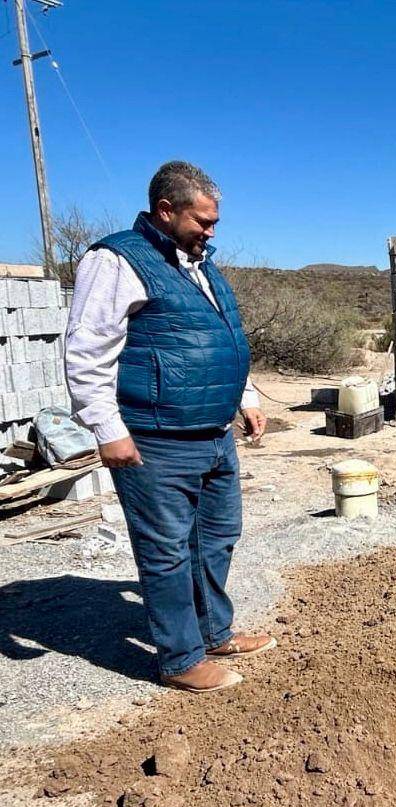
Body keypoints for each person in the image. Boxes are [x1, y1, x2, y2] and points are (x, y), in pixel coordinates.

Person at [65, 161, 275, 693]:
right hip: (156, 435)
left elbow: (222, 339)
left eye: (215, 223)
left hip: (212, 432)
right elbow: (88, 350)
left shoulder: (200, 265)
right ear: (166, 210)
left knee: (218, 536)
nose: (211, 231)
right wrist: (106, 427)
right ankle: (181, 658)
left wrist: (245, 396)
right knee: (166, 549)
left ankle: (213, 630)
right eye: (202, 221)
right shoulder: (117, 260)